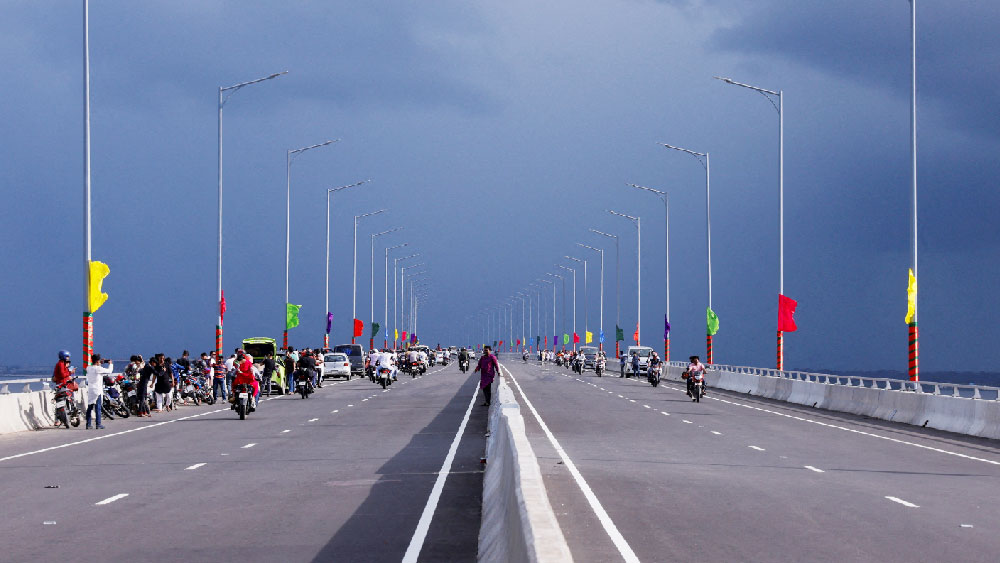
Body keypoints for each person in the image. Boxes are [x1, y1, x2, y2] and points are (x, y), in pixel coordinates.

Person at [85, 354, 113, 430]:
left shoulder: (88, 368)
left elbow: (94, 367)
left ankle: (88, 424)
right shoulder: (98, 369)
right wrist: (110, 364)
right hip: (97, 390)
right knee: (98, 407)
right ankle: (98, 424)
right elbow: (109, 371)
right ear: (98, 361)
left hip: (90, 390)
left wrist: (100, 363)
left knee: (90, 407)